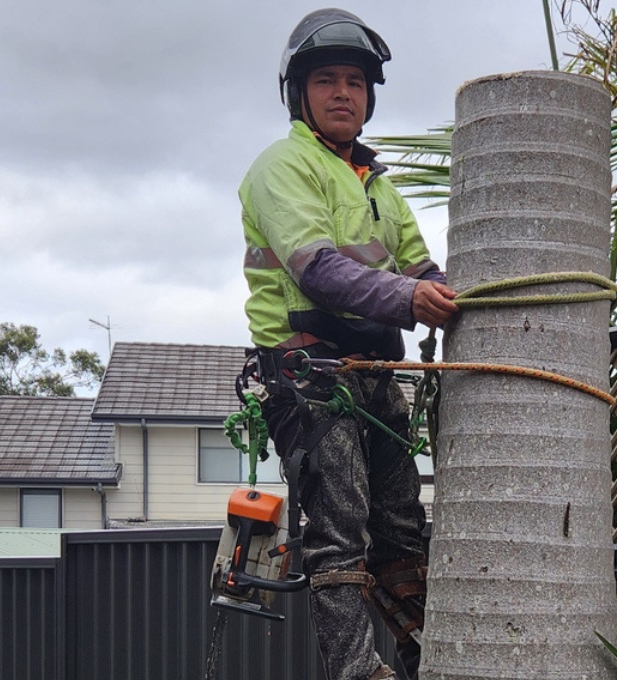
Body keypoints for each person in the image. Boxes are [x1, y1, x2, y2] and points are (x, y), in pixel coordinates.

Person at [238, 8, 458, 680]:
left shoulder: (381, 188)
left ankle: (428, 662)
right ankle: (358, 674)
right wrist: (408, 300)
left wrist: (456, 299)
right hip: (308, 377)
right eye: (328, 80)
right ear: (297, 92)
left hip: (373, 374)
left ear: (369, 96)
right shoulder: (282, 166)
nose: (343, 92)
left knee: (400, 531)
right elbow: (318, 268)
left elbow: (423, 271)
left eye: (356, 82)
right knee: (339, 538)